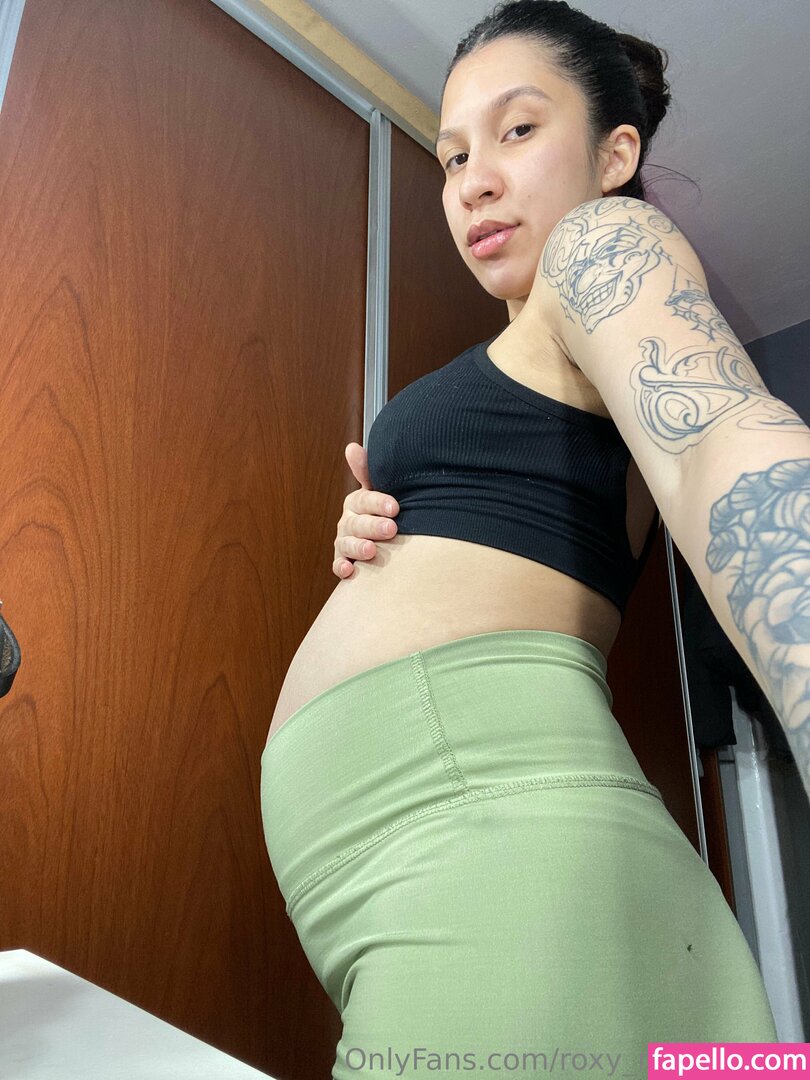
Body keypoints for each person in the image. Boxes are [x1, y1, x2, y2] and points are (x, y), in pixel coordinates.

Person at [260, 3, 783, 1075]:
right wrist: (389, 532)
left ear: (615, 155)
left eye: (518, 130)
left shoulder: (608, 241)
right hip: (432, 858)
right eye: (454, 154)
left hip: (497, 843)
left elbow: (719, 441)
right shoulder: (541, 350)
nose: (472, 181)